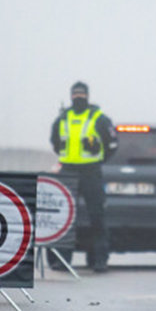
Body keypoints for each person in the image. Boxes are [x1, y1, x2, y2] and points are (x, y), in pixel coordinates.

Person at [50, 81, 118, 272]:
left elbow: (112, 144)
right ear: (71, 95)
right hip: (68, 171)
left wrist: (98, 155)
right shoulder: (63, 118)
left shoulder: (98, 118)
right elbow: (55, 142)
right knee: (65, 218)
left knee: (97, 216)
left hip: (90, 172)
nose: (78, 98)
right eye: (75, 94)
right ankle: (62, 260)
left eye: (81, 94)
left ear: (87, 96)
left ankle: (99, 260)